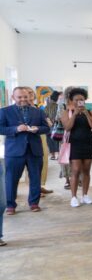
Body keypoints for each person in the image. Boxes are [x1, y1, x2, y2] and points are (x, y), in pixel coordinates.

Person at [1, 86, 50, 214]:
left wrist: (37, 129)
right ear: (13, 97)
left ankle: (34, 203)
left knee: (35, 178)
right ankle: (10, 205)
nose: (23, 99)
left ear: (29, 97)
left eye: (25, 97)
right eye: (19, 97)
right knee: (11, 178)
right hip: (14, 151)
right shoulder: (5, 111)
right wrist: (15, 129)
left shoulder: (38, 112)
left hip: (34, 150)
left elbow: (46, 128)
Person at [44, 90, 60, 160]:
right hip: (57, 125)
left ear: (50, 98)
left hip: (48, 125)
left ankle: (52, 155)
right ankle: (57, 154)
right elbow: (59, 116)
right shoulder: (58, 106)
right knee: (56, 140)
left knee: (49, 140)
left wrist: (49, 122)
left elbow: (45, 116)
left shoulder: (47, 107)